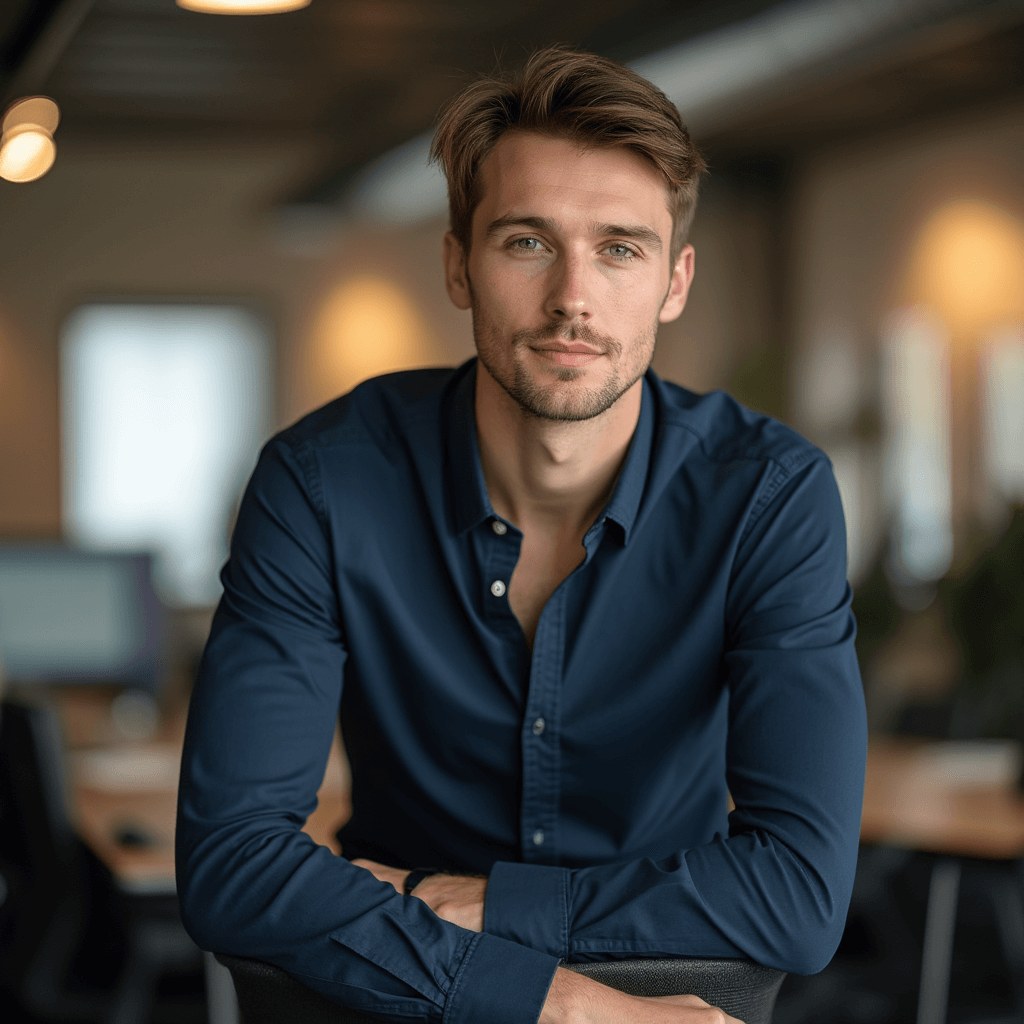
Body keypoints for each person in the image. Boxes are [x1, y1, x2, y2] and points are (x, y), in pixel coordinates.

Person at [176, 46, 867, 1024]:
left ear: (675, 281)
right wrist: (561, 1005)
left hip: (645, 988)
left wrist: (491, 903)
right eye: (527, 242)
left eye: (620, 247)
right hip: (403, 995)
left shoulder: (768, 495)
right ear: (458, 264)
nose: (572, 299)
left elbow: (798, 897)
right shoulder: (323, 482)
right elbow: (230, 863)